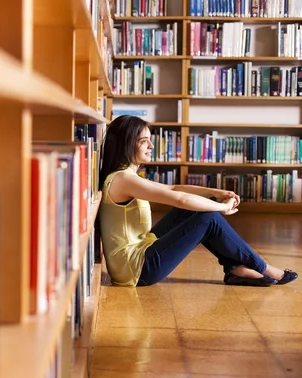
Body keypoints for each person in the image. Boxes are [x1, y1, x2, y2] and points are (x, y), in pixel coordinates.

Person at [98, 115, 297, 287]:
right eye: (144, 141)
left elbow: (174, 188)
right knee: (208, 218)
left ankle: (235, 269)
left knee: (191, 211)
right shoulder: (123, 179)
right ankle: (263, 267)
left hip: (140, 252)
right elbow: (179, 198)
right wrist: (222, 208)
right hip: (137, 269)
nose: (151, 146)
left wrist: (216, 192)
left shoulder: (124, 176)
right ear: (126, 143)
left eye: (151, 140)